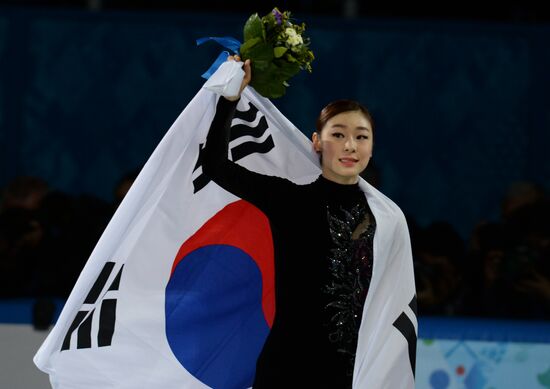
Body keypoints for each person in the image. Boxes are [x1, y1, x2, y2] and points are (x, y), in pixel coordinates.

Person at [202, 57, 415, 388]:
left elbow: (395, 305)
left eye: (361, 137)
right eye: (338, 134)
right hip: (287, 368)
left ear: (372, 148)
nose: (349, 145)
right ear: (316, 141)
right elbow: (214, 166)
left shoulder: (388, 220)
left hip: (353, 375)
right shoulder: (289, 199)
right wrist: (229, 99)